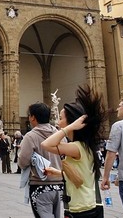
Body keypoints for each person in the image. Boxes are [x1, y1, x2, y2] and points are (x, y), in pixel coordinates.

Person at [42, 85, 106, 217]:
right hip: (85, 205)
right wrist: (58, 172)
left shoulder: (77, 147)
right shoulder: (83, 146)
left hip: (80, 208)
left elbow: (46, 144)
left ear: (72, 121)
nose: (58, 122)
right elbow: (80, 176)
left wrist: (69, 127)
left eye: (61, 118)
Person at [18, 102, 64, 217]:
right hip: (59, 185)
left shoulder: (30, 136)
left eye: (29, 115)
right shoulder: (59, 135)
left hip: (40, 186)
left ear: (33, 117)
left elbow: (23, 162)